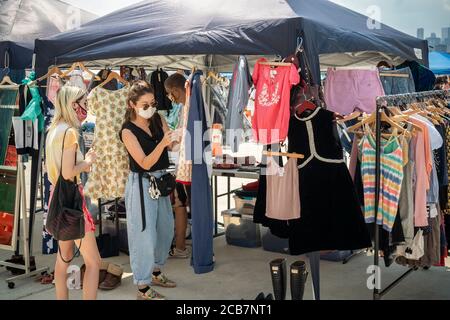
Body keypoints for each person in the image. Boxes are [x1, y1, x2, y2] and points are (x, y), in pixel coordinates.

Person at [120, 80, 178, 300]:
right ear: (132, 105)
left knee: (165, 229)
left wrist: (176, 137)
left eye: (152, 102)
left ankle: (155, 271)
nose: (150, 107)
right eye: (145, 104)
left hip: (161, 181)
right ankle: (142, 287)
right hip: (141, 183)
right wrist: (163, 143)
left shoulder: (158, 119)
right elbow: (144, 162)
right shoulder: (127, 131)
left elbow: (170, 145)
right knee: (143, 234)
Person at [45, 86, 100, 300]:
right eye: (84, 102)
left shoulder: (54, 129)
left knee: (64, 257)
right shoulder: (69, 133)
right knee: (94, 262)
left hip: (57, 199)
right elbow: (68, 173)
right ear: (73, 104)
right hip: (72, 201)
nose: (86, 106)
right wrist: (87, 163)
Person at [164, 73, 192, 259]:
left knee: (180, 204)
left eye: (169, 93)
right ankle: (180, 246)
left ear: (175, 90)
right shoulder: (186, 107)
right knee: (181, 204)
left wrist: (169, 135)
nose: (169, 97)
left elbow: (181, 139)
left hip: (184, 164)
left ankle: (180, 246)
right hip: (182, 163)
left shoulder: (188, 107)